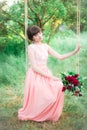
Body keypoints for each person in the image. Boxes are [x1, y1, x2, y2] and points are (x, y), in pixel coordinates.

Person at [18, 25, 81, 122]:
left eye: (39, 33)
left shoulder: (45, 46)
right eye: (35, 35)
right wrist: (51, 77)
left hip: (45, 71)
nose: (39, 36)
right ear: (31, 37)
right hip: (36, 74)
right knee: (46, 96)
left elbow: (60, 57)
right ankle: (37, 113)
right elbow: (34, 67)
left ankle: (50, 114)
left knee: (60, 86)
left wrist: (74, 52)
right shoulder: (31, 48)